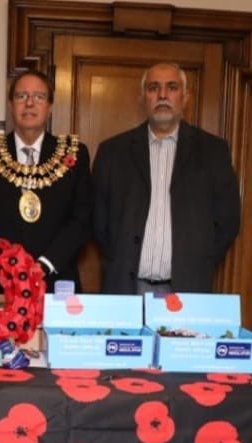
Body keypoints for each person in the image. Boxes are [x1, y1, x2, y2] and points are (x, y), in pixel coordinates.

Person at [91, 61, 241, 295]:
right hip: (125, 288)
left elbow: (228, 221)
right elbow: (98, 222)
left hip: (187, 289)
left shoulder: (213, 151)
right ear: (143, 97)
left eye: (172, 87)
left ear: (185, 96)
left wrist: (196, 262)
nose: (162, 95)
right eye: (153, 88)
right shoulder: (112, 152)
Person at [0, 70, 93, 293]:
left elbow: (81, 220)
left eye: (38, 97)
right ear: (11, 105)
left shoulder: (75, 154)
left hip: (54, 280)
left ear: (49, 107)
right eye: (21, 96)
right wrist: (4, 264)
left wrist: (44, 265)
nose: (29, 104)